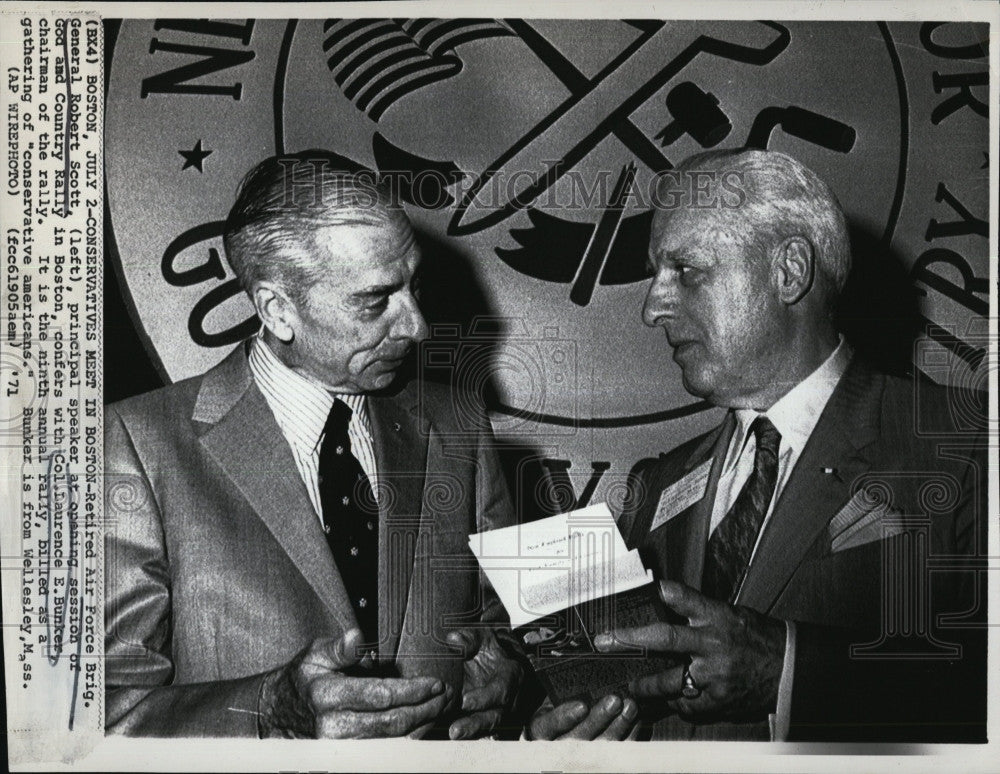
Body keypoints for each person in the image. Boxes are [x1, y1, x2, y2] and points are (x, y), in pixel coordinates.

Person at [104, 151, 522, 738]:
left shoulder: (457, 423)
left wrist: (511, 674)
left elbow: (512, 630)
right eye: (375, 300)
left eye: (415, 285)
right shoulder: (135, 447)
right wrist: (271, 711)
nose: (417, 325)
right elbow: (94, 712)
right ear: (277, 309)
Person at [589, 149, 987, 741]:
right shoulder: (657, 486)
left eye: (687, 271)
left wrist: (789, 671)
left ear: (790, 270)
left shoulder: (965, 447)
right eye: (655, 275)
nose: (652, 308)